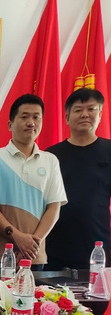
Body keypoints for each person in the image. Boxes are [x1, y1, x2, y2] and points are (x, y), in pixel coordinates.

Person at [0, 94, 67, 281]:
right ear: (10, 124)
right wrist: (17, 237)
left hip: (33, 257)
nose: (31, 122)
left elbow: (54, 208)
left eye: (36, 117)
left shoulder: (50, 161)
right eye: (24, 116)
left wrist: (32, 244)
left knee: (34, 301)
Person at [46, 88, 111, 270]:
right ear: (67, 118)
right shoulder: (50, 156)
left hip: (98, 250)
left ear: (100, 115)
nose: (84, 114)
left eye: (91, 109)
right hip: (55, 251)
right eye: (78, 110)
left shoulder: (109, 151)